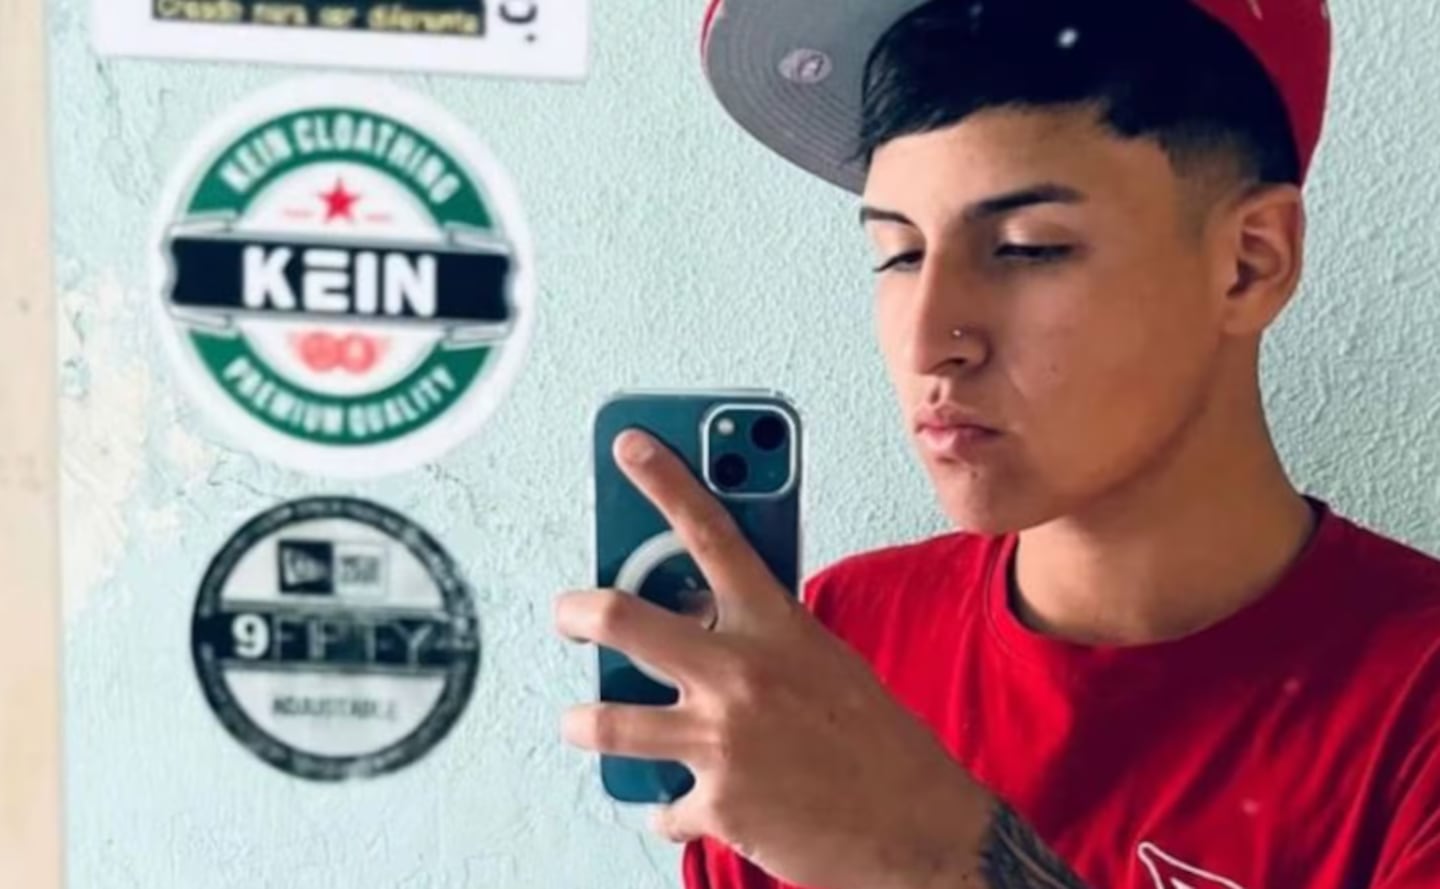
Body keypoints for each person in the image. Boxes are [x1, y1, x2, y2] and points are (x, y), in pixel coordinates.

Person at [554, 0, 1440, 887]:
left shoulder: (1413, 709)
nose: (927, 339)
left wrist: (927, 854)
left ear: (1250, 262)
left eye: (1025, 248)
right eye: (899, 253)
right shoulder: (833, 647)